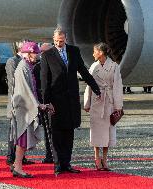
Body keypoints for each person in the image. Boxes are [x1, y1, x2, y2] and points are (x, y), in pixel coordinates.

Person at [40, 27, 101, 175]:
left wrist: (96, 88)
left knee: (69, 133)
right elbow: (44, 80)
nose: (58, 44)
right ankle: (58, 165)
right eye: (55, 41)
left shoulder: (74, 51)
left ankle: (67, 163)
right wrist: (46, 102)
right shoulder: (47, 55)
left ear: (65, 39)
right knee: (56, 134)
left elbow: (83, 71)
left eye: (60, 41)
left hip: (71, 100)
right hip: (55, 101)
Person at [84, 42, 123, 171]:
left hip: (109, 101)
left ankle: (105, 159)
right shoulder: (93, 66)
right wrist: (87, 103)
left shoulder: (114, 66)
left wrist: (118, 106)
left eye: (95, 51)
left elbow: (117, 86)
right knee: (96, 130)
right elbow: (89, 86)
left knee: (107, 132)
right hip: (97, 101)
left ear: (101, 53)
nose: (93, 53)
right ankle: (96, 158)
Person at [10, 41, 46, 178]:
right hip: (24, 109)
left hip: (25, 108)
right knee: (22, 138)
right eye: (35, 53)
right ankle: (18, 167)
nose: (37, 55)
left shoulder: (27, 66)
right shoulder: (23, 67)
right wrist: (38, 105)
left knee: (22, 137)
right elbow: (26, 90)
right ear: (29, 53)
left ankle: (16, 164)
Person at [5, 40, 35, 166]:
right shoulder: (13, 61)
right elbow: (12, 83)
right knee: (15, 132)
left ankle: (20, 159)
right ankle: (11, 157)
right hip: (17, 101)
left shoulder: (26, 63)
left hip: (24, 103)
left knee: (21, 132)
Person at [33, 43, 54, 164]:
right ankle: (49, 154)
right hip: (44, 104)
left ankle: (55, 154)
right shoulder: (37, 68)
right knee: (47, 130)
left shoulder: (57, 65)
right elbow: (36, 88)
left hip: (55, 102)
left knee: (55, 131)